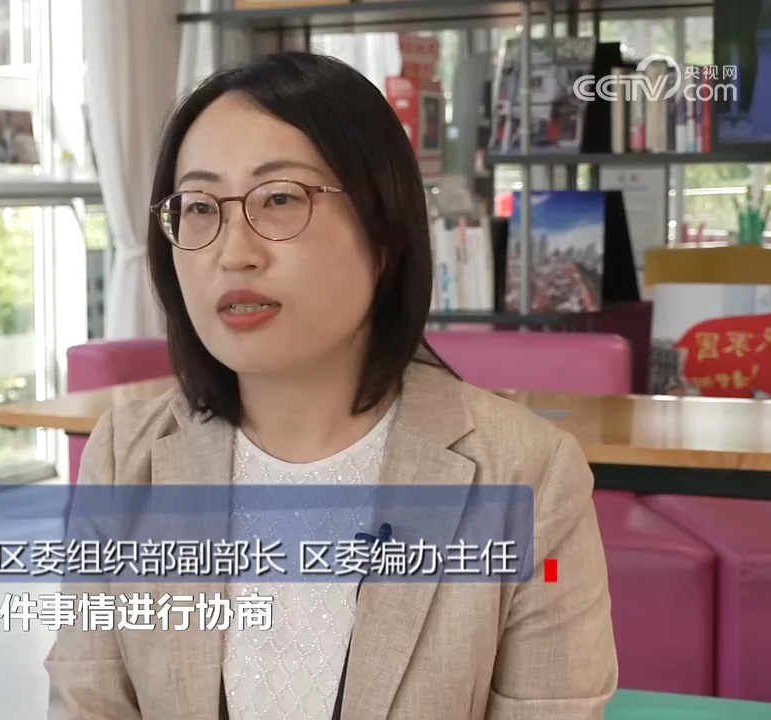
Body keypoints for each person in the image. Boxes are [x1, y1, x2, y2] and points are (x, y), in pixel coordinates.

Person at [46, 52, 617, 719]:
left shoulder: (527, 475)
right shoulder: (127, 460)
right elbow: (86, 703)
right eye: (199, 207)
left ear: (383, 232)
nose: (234, 253)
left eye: (279, 199)